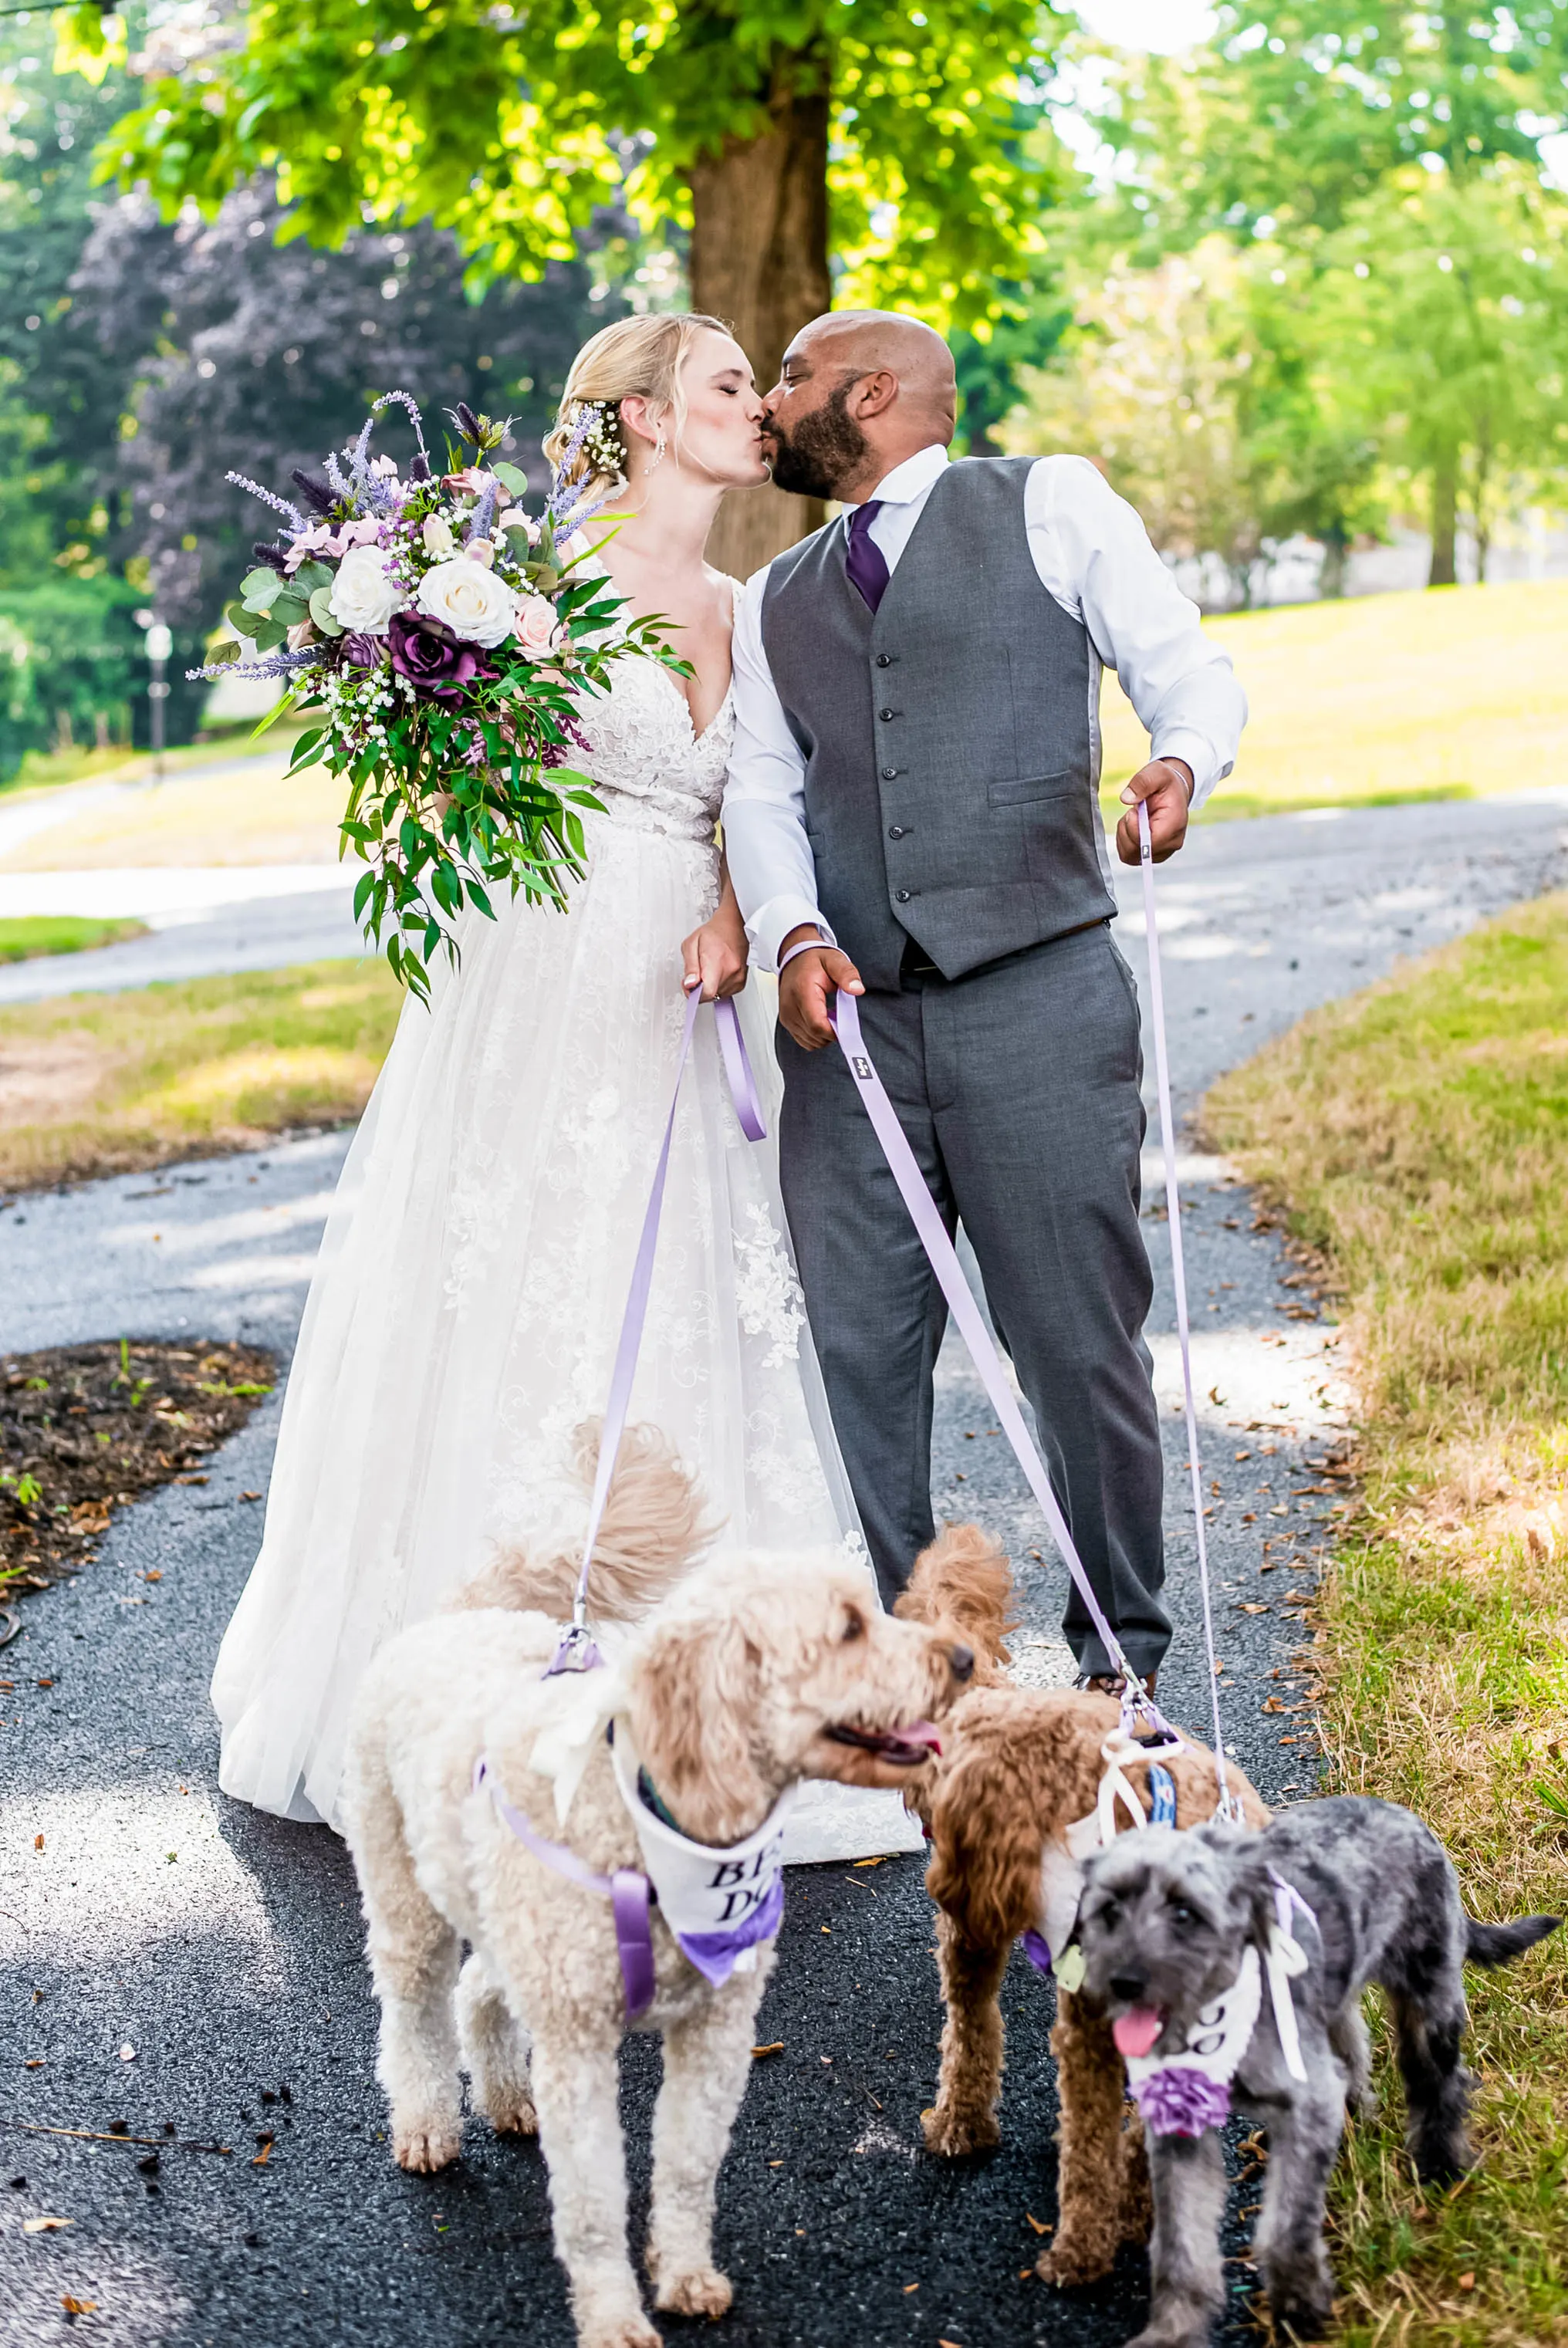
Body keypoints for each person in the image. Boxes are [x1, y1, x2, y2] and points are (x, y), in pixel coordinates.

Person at [212, 312, 921, 1860]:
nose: (758, 408)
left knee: (676, 1298)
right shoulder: (521, 586)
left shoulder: (746, 603)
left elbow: (753, 804)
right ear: (648, 418)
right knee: (518, 1273)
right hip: (535, 969)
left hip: (686, 991)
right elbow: (436, 777)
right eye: (732, 384)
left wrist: (738, 915)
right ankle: (479, 1676)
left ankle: (718, 1696)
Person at [722, 309, 1248, 1698]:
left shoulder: (1050, 501)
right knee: (861, 1358)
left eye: (791, 375)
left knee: (1078, 1349)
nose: (771, 398)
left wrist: (1182, 761)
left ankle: (1117, 1672)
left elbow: (1184, 663)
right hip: (851, 1037)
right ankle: (926, 1675)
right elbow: (765, 791)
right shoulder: (775, 597)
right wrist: (791, 931)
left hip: (1040, 998)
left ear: (874, 392)